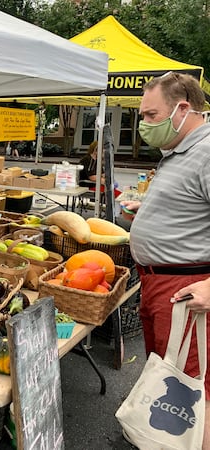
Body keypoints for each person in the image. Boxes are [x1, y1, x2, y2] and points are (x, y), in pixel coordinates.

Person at [120, 71, 210, 448]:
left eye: (151, 116)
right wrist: (147, 210)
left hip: (186, 287)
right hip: (159, 282)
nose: (144, 125)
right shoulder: (180, 147)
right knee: (167, 373)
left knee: (192, 386)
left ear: (183, 108)